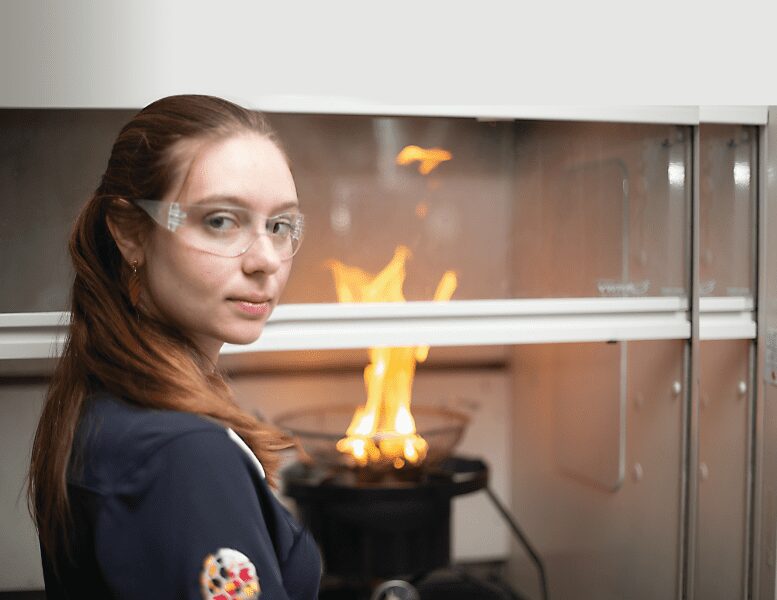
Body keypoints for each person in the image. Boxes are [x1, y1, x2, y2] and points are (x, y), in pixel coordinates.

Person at [27, 95, 321, 599]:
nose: (265, 260)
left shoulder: (104, 402)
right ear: (129, 232)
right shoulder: (183, 454)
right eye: (221, 221)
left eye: (279, 225)